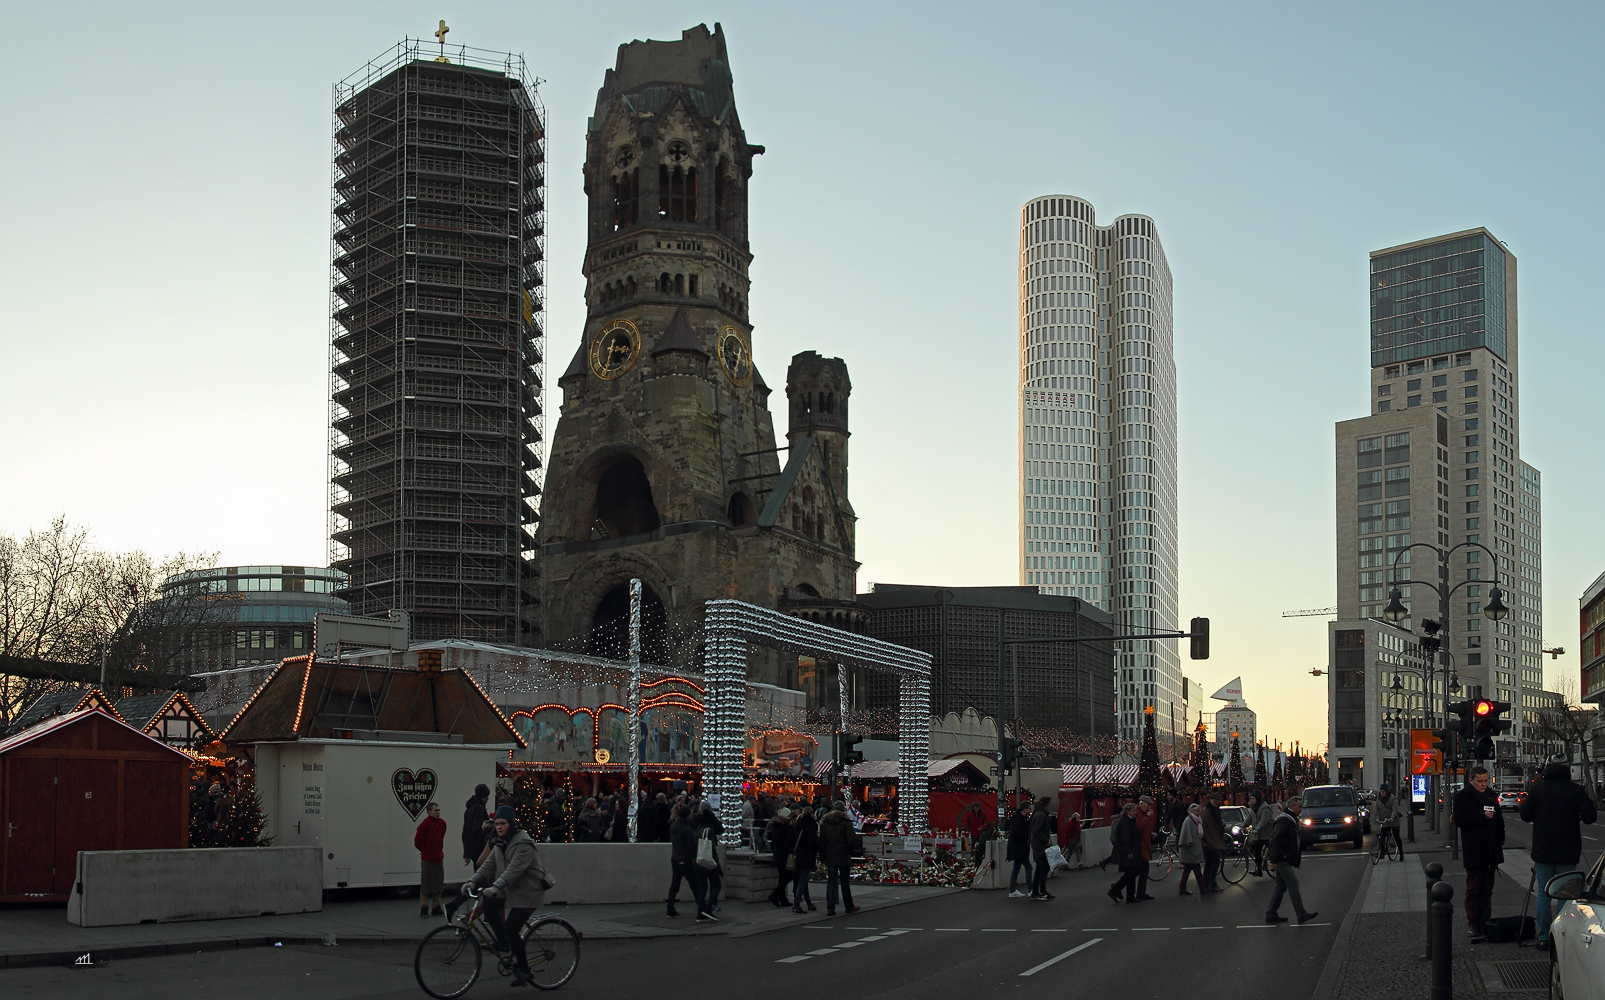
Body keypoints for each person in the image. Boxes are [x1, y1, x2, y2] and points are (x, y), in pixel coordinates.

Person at [462, 805, 547, 986]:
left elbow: (514, 870)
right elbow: (488, 867)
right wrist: (472, 881)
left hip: (529, 892)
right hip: (512, 891)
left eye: (503, 823)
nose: (499, 827)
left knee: (511, 929)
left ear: (511, 824)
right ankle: (503, 944)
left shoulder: (523, 844)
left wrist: (496, 886)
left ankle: (525, 971)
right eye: (497, 824)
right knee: (490, 905)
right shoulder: (501, 843)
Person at [1522, 756, 1599, 948]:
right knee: (1565, 893)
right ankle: (1563, 936)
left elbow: (1525, 814)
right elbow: (1590, 816)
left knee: (1543, 893)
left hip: (1543, 849)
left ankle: (1543, 936)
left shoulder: (1538, 789)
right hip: (1567, 848)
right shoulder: (1575, 790)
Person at [1454, 766, 1506, 941]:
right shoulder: (1462, 797)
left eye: (1485, 781)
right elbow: (1459, 820)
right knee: (1474, 888)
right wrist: (1481, 816)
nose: (1483, 785)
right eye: (1480, 782)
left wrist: (1499, 840)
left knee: (1487, 889)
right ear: (1471, 781)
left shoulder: (1491, 796)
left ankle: (1484, 922)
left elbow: (1499, 821)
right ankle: (1473, 923)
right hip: (1474, 849)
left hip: (1491, 849)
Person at [1265, 795, 1318, 924]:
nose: (1301, 809)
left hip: (1284, 857)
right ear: (1291, 806)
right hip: (1282, 858)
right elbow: (1276, 840)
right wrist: (1274, 860)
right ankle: (1301, 913)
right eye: (1299, 807)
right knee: (1293, 883)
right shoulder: (1285, 820)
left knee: (1281, 886)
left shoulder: (1290, 819)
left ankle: (1271, 913)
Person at [666, 802, 711, 920]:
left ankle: (670, 908)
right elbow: (690, 846)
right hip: (685, 859)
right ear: (688, 816)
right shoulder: (687, 828)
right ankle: (701, 909)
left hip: (675, 858)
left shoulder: (674, 826)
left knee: (675, 884)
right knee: (695, 885)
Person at [819, 799, 860, 916]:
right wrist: (851, 852)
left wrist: (823, 856)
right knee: (845, 882)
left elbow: (823, 841)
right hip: (843, 855)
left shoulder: (826, 822)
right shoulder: (846, 822)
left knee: (831, 882)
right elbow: (851, 839)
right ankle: (849, 905)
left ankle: (830, 907)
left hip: (830, 855)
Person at [414, 801, 447, 917]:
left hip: (438, 858)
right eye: (436, 810)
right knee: (425, 886)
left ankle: (436, 907)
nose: (438, 812)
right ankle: (424, 908)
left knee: (438, 885)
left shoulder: (442, 823)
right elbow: (417, 842)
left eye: (439, 810)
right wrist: (425, 851)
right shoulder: (424, 825)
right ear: (429, 812)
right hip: (428, 858)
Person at [1107, 802, 1144, 903]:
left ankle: (1128, 895)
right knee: (1132, 873)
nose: (1135, 812)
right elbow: (1125, 838)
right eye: (1134, 810)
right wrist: (1129, 851)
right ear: (1128, 811)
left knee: (1130, 873)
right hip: (1128, 851)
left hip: (1130, 850)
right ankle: (1115, 889)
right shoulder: (1126, 822)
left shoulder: (1128, 821)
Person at [694, 801, 725, 913]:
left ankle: (700, 908)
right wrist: (718, 866)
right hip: (708, 856)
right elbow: (720, 830)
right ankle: (710, 905)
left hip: (697, 856)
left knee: (702, 886)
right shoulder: (710, 827)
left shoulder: (695, 821)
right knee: (715, 884)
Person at [790, 806, 820, 913]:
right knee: (802, 881)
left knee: (803, 880)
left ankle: (809, 903)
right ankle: (796, 904)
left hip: (798, 854)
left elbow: (792, 840)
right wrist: (818, 845)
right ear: (811, 814)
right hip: (807, 854)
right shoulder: (811, 825)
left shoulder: (797, 823)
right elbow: (812, 841)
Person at [766, 807, 796, 907]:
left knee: (782, 876)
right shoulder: (786, 828)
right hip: (784, 855)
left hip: (777, 853)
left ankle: (783, 899)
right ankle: (774, 895)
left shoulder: (775, 826)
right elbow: (788, 842)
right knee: (788, 876)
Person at [1028, 795, 1055, 900]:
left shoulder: (1037, 813)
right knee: (1044, 867)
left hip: (1037, 844)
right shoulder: (1041, 815)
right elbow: (1037, 831)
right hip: (1040, 845)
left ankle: (1035, 891)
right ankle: (1042, 891)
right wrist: (1046, 841)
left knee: (1040, 867)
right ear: (1047, 805)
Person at [1176, 803, 1206, 895]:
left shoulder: (1196, 821)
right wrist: (1189, 845)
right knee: (1196, 869)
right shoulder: (1189, 821)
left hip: (1192, 849)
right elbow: (1186, 836)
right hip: (1190, 849)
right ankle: (1202, 888)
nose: (1197, 812)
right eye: (1196, 811)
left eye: (1198, 811)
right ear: (1191, 811)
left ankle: (1182, 888)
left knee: (1187, 869)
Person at [1201, 792, 1227, 892]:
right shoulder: (1206, 811)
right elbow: (1203, 827)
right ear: (1210, 800)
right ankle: (1211, 883)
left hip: (1213, 840)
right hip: (1210, 842)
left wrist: (1221, 824)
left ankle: (1206, 883)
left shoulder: (1215, 810)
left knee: (1209, 862)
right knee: (1215, 860)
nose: (1217, 802)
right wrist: (1208, 841)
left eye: (1218, 800)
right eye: (1215, 800)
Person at [461, 783, 492, 869]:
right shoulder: (480, 809)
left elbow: (465, 832)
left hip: (472, 850)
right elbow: (478, 829)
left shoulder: (469, 809)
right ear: (485, 796)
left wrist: (466, 853)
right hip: (480, 849)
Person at [1006, 800, 1033, 897]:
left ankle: (1012, 890)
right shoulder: (1019, 820)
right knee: (1028, 868)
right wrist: (1025, 837)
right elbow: (1015, 833)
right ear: (1024, 809)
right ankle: (1030, 889)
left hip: (1017, 848)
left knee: (1016, 868)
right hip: (1019, 847)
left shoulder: (1019, 818)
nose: (1030, 810)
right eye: (1029, 808)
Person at [1133, 796, 1157, 901]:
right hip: (1140, 847)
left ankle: (1141, 892)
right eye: (1148, 805)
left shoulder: (1141, 813)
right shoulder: (1138, 813)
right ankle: (1117, 888)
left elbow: (1143, 828)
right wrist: (1147, 817)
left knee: (1142, 871)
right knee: (1139, 871)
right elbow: (1138, 827)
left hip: (1144, 845)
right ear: (1141, 803)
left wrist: (1150, 833)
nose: (1149, 807)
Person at [1371, 783, 1404, 860]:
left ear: (1387, 792)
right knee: (1382, 836)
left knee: (1396, 836)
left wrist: (1392, 817)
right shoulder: (1378, 800)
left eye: (1383, 792)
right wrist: (1374, 818)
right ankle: (1381, 853)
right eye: (1381, 792)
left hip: (1393, 820)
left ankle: (1401, 853)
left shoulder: (1392, 799)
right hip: (1384, 820)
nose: (1382, 794)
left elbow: (1395, 810)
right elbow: (1376, 810)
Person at [1248, 790, 1276, 877]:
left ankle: (1271, 865)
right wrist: (1241, 827)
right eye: (1250, 799)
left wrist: (1257, 829)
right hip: (1258, 835)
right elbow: (1248, 819)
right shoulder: (1253, 809)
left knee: (1269, 851)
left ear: (1258, 799)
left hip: (1267, 834)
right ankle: (1258, 869)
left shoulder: (1265, 808)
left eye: (1253, 798)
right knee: (1255, 850)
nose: (1251, 800)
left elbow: (1264, 821)